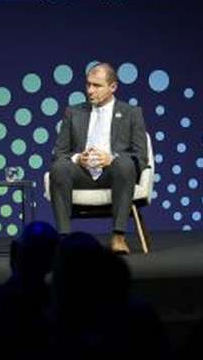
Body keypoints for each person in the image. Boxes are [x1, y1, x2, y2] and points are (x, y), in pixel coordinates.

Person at [49, 63, 148, 254]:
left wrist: (112, 159)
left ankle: (118, 237)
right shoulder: (73, 112)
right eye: (88, 84)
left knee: (125, 164)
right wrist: (78, 158)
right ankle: (64, 238)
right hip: (82, 174)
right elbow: (59, 153)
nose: (90, 90)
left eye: (96, 85)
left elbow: (141, 156)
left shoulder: (131, 113)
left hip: (114, 174)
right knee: (59, 168)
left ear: (113, 87)